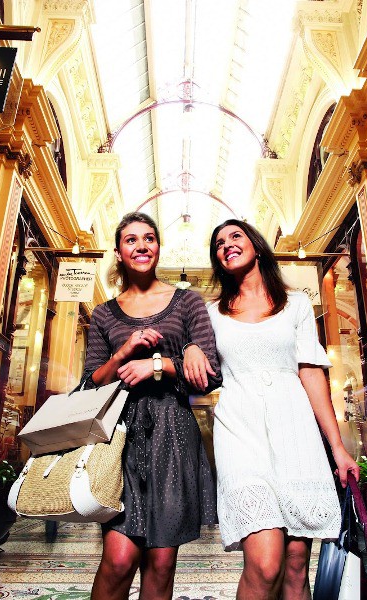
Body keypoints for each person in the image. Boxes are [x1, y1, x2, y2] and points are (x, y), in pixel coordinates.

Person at [184, 219, 360, 600]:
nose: (227, 244)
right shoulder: (211, 313)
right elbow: (186, 343)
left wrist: (338, 448)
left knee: (296, 567)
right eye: (219, 243)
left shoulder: (296, 304)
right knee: (266, 564)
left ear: (257, 246)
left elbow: (311, 373)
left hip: (295, 430)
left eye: (235, 236)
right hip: (239, 430)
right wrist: (190, 347)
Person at [83, 212, 222, 600]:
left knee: (161, 563)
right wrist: (124, 352)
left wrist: (159, 364)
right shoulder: (104, 313)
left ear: (158, 248)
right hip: (120, 438)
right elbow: (90, 383)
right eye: (131, 240)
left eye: (148, 238)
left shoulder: (187, 302)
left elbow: (211, 374)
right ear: (118, 252)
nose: (141, 246)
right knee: (119, 560)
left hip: (173, 434)